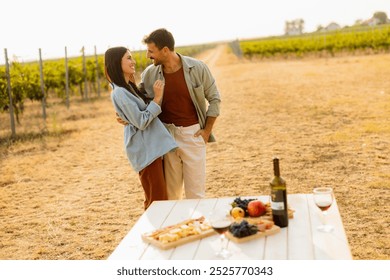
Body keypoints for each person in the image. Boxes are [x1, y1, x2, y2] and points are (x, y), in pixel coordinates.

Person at [139, 28, 221, 200]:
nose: (148, 56)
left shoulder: (198, 68)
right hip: (166, 138)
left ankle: (197, 227)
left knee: (195, 194)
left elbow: (214, 99)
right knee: (171, 196)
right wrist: (123, 115)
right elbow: (137, 101)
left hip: (193, 135)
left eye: (151, 51)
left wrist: (206, 131)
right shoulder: (149, 74)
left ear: (165, 50)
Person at [104, 46, 177, 209]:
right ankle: (153, 233)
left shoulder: (128, 87)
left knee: (158, 198)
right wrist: (157, 99)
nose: (133, 61)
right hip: (146, 151)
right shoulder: (120, 92)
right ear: (117, 63)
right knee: (156, 202)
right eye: (128, 58)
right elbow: (142, 121)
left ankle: (158, 232)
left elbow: (136, 117)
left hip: (151, 149)